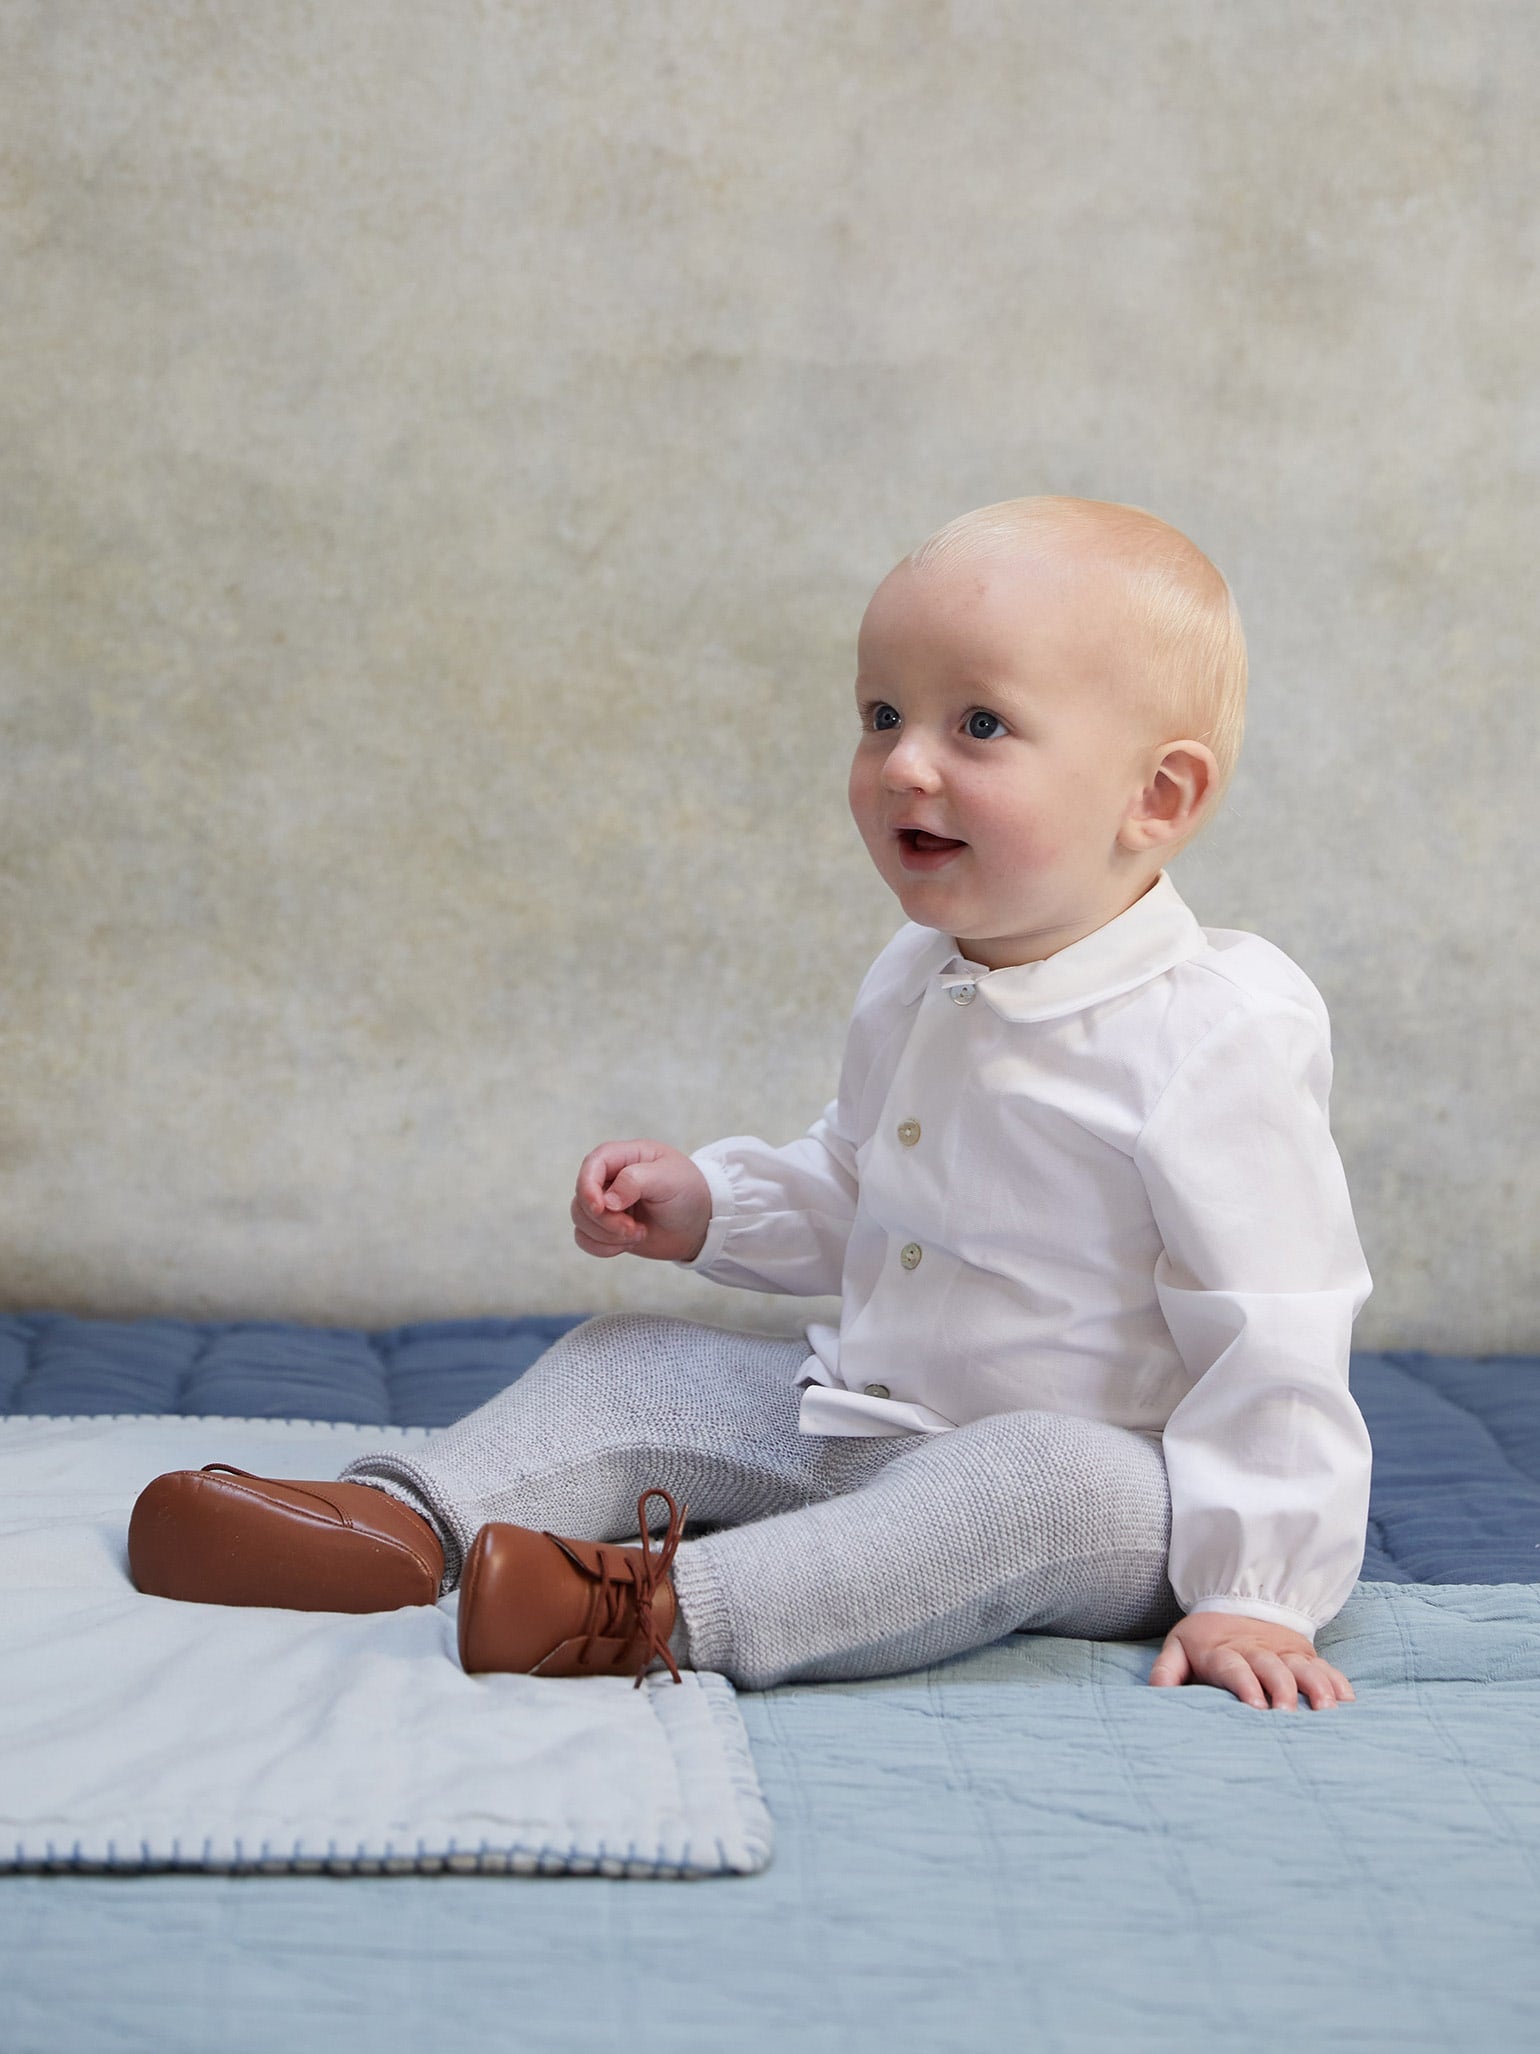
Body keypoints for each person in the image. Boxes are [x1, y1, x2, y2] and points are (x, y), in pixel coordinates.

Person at [129, 495, 1372, 1713]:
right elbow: (860, 1188)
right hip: (865, 1418)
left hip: (1112, 1489)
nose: (904, 762)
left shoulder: (1213, 1029)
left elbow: (1276, 1329)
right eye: (881, 714)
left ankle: (648, 1610)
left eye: (979, 723)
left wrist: (1258, 1587)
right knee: (631, 1364)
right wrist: (712, 1204)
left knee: (1029, 1480)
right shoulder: (918, 977)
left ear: (1155, 798)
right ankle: (397, 1522)